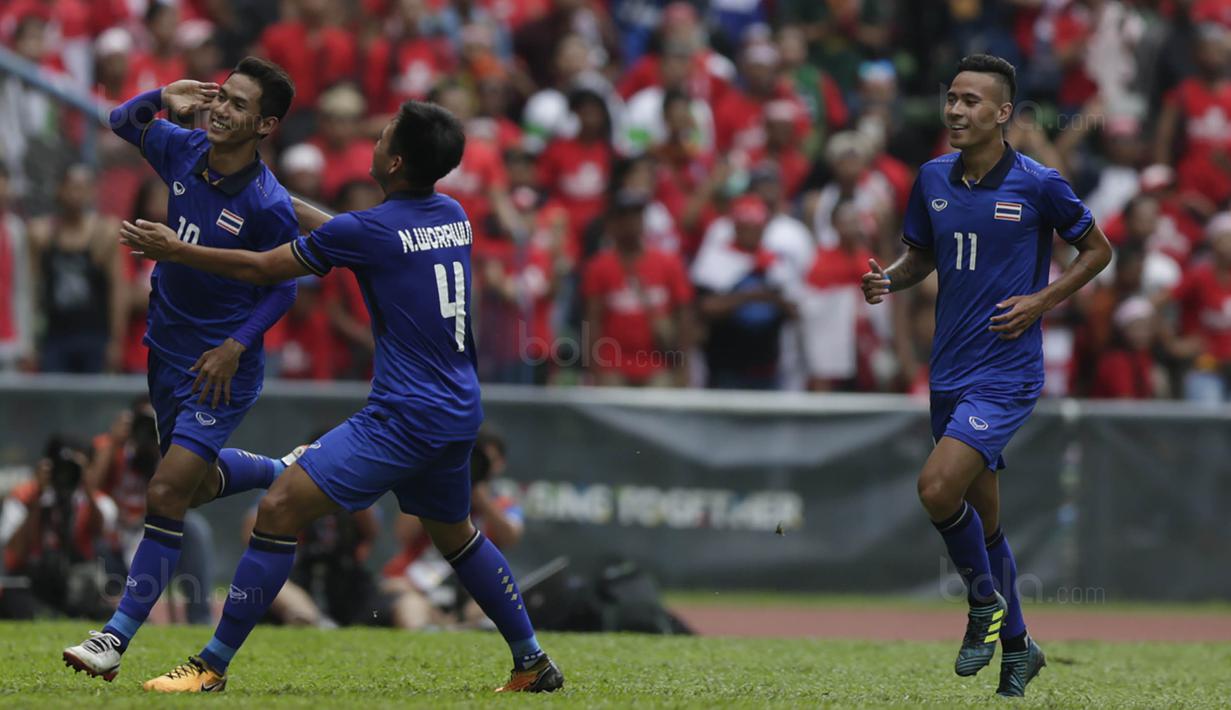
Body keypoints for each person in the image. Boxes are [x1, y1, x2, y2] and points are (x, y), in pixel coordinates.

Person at [118, 100, 563, 694]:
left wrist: (178, 250)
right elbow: (349, 234)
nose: (372, 144)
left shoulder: (372, 230)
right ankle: (531, 661)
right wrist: (275, 195)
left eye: (381, 137)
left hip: (404, 417)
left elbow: (261, 269)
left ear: (396, 160)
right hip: (458, 408)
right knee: (455, 533)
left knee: (277, 510)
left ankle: (211, 666)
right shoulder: (453, 213)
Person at [860, 55, 1112, 698]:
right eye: (951, 98)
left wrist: (1041, 300)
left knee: (937, 487)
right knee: (984, 520)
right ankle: (1021, 648)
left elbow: (1099, 250)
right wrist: (888, 278)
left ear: (1003, 113)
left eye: (971, 101)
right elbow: (921, 256)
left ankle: (983, 609)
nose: (955, 110)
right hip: (949, 369)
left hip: (1005, 372)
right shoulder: (930, 177)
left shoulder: (1038, 183)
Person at [62, 58, 301, 682]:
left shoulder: (267, 202)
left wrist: (237, 346)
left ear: (266, 125)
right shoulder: (186, 148)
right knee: (187, 487)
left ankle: (114, 638)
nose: (221, 109)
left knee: (166, 492)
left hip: (218, 367)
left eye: (239, 106)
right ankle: (281, 469)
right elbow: (123, 119)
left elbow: (284, 289)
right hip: (164, 353)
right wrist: (163, 96)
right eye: (222, 96)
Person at [0, 436, 119, 621]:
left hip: (77, 582)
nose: (65, 473)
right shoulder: (23, 498)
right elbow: (16, 551)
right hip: (32, 581)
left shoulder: (96, 501)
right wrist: (38, 499)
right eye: (60, 467)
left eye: (73, 467)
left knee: (101, 600)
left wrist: (86, 487)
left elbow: (102, 535)